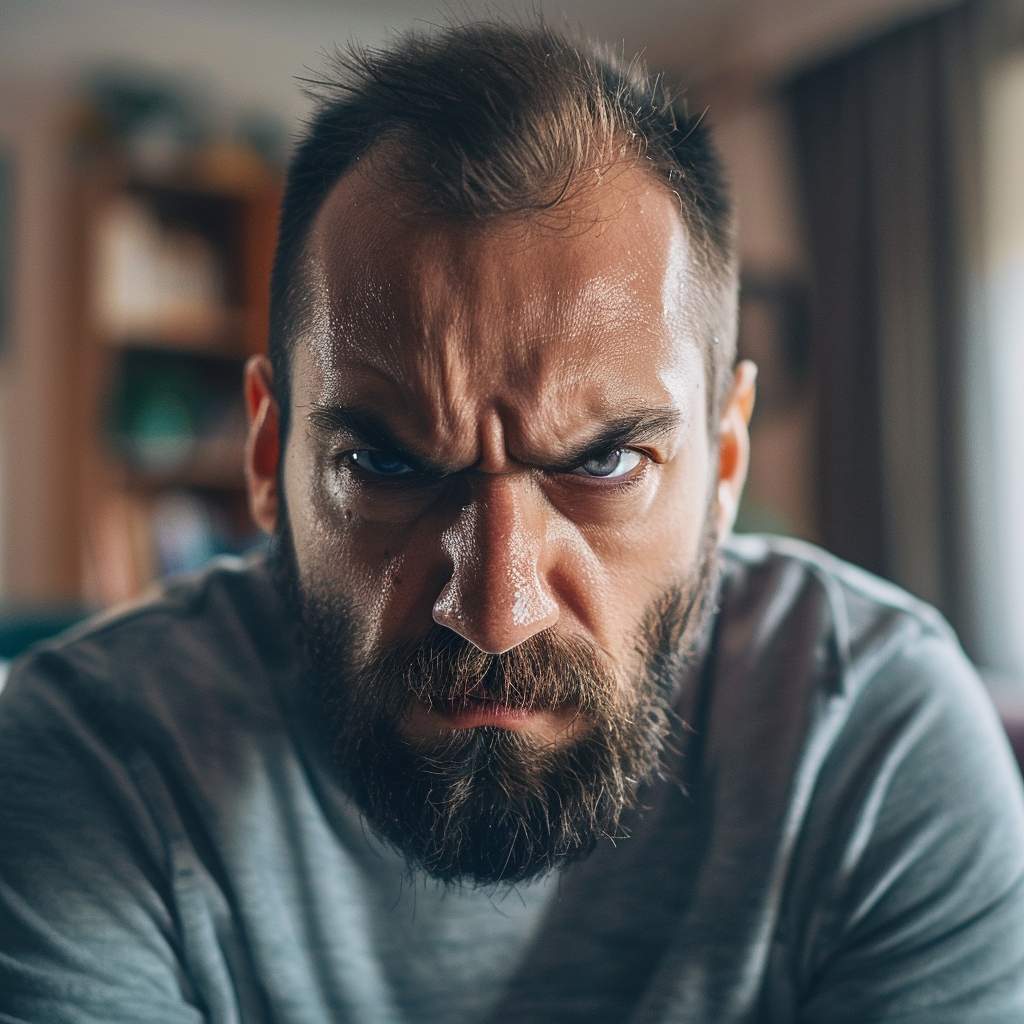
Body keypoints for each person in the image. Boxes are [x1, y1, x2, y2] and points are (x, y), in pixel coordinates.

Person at [2, 21, 1023, 1024]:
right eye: (386, 462)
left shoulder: (875, 741)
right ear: (269, 456)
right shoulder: (90, 764)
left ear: (722, 464)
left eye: (604, 461)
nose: (496, 608)